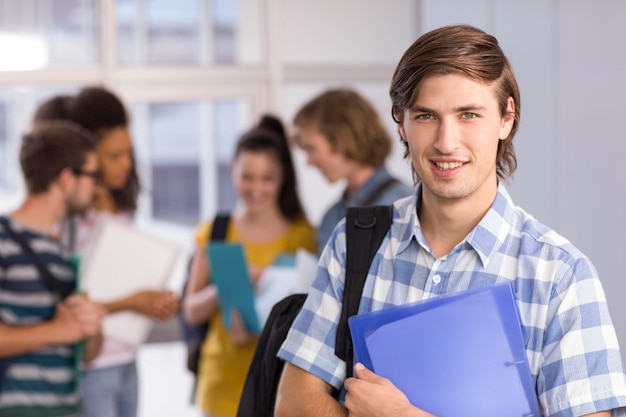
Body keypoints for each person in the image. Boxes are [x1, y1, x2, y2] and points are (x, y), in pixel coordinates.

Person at [275, 24, 626, 417]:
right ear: (401, 122)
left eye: (468, 115)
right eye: (426, 115)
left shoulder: (561, 276)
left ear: (506, 119)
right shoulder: (353, 244)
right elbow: (293, 404)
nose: (446, 141)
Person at [33, 86, 180, 417]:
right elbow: (68, 305)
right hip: (92, 368)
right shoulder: (66, 222)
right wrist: (135, 301)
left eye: (129, 152)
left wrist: (155, 300)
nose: (126, 164)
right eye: (115, 155)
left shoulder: (120, 209)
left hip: (127, 358)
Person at [183, 115, 316, 417]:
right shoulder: (215, 231)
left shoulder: (303, 236)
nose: (256, 188)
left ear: (283, 177)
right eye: (247, 177)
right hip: (221, 382)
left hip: (278, 383)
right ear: (232, 171)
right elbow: (191, 310)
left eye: (267, 178)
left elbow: (312, 315)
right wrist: (230, 285)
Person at [0, 121, 106, 416]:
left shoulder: (64, 253)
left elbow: (86, 353)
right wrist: (56, 330)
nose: (96, 188)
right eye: (92, 175)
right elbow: (61, 333)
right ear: (66, 179)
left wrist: (91, 329)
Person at [291, 88, 414, 252]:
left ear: (341, 140)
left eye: (311, 149)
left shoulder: (404, 208)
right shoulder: (331, 218)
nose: (309, 162)